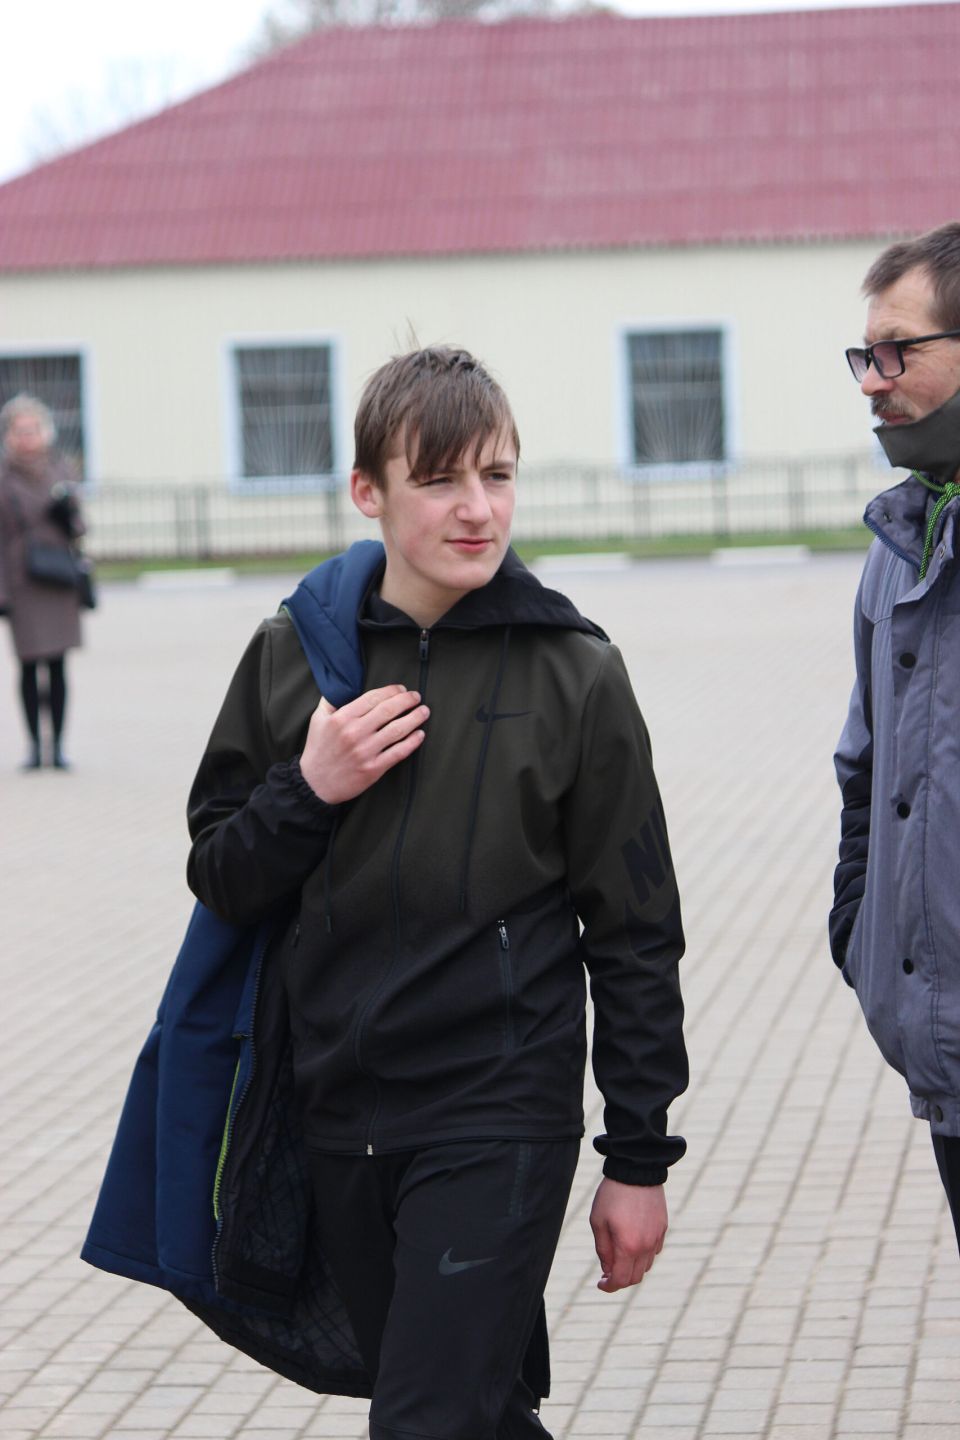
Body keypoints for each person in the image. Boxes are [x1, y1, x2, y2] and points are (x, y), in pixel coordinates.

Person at [83, 346, 688, 1439]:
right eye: (440, 480)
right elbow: (222, 873)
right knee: (473, 1411)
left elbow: (636, 932)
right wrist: (308, 789)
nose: (477, 509)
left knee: (424, 1420)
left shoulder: (575, 673)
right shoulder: (292, 655)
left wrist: (637, 1158)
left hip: (500, 1110)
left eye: (497, 476)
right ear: (369, 491)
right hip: (336, 1112)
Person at [832, 221, 960, 1252]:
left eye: (898, 352)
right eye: (864, 357)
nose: (874, 382)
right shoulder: (899, 541)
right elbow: (866, 766)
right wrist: (858, 925)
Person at [0, 393, 85, 769]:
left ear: (45, 432)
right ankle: (35, 747)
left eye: (32, 429)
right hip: (22, 581)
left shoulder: (61, 470)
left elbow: (80, 527)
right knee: (28, 666)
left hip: (59, 578)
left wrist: (66, 514)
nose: (27, 437)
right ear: (9, 435)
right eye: (20, 430)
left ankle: (59, 748)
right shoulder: (3, 477)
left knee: (58, 665)